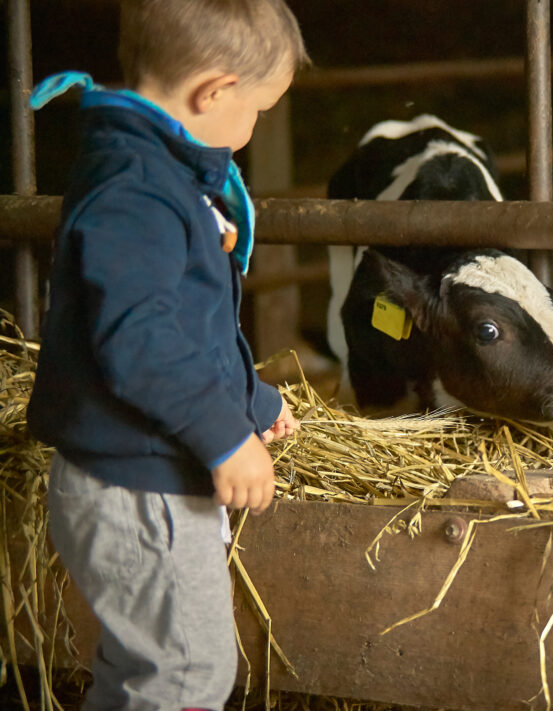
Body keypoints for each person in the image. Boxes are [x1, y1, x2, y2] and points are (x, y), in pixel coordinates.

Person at [26, 1, 310, 707]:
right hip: (138, 488)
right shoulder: (137, 190)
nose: (251, 130)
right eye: (257, 111)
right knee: (185, 676)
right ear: (213, 93)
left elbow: (186, 319)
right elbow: (137, 337)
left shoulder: (152, 170)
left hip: (136, 473)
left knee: (143, 675)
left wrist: (251, 404)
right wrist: (223, 438)